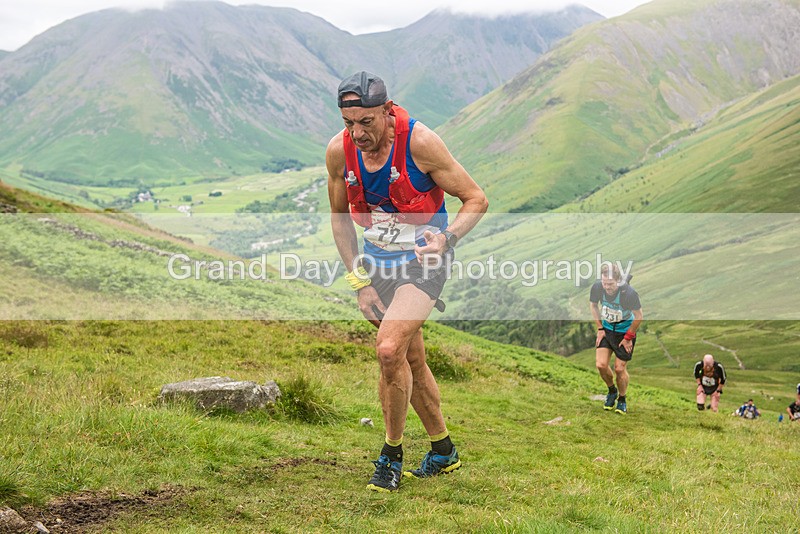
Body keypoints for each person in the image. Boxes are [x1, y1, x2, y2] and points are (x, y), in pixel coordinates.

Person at [326, 71, 488, 492]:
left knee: (387, 350)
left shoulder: (420, 143)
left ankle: (390, 455)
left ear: (387, 110)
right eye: (349, 123)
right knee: (409, 359)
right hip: (377, 266)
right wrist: (359, 283)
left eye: (366, 122)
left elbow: (476, 198)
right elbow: (340, 220)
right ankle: (443, 451)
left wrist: (447, 239)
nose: (358, 133)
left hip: (424, 261)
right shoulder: (339, 151)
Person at [590, 264, 643, 415]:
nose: (607, 287)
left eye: (610, 284)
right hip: (607, 330)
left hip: (624, 333)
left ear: (618, 281)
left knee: (619, 368)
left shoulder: (629, 293)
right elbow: (593, 306)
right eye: (604, 283)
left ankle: (622, 399)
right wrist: (600, 328)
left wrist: (628, 337)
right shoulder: (597, 288)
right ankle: (612, 391)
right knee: (601, 365)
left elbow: (639, 316)